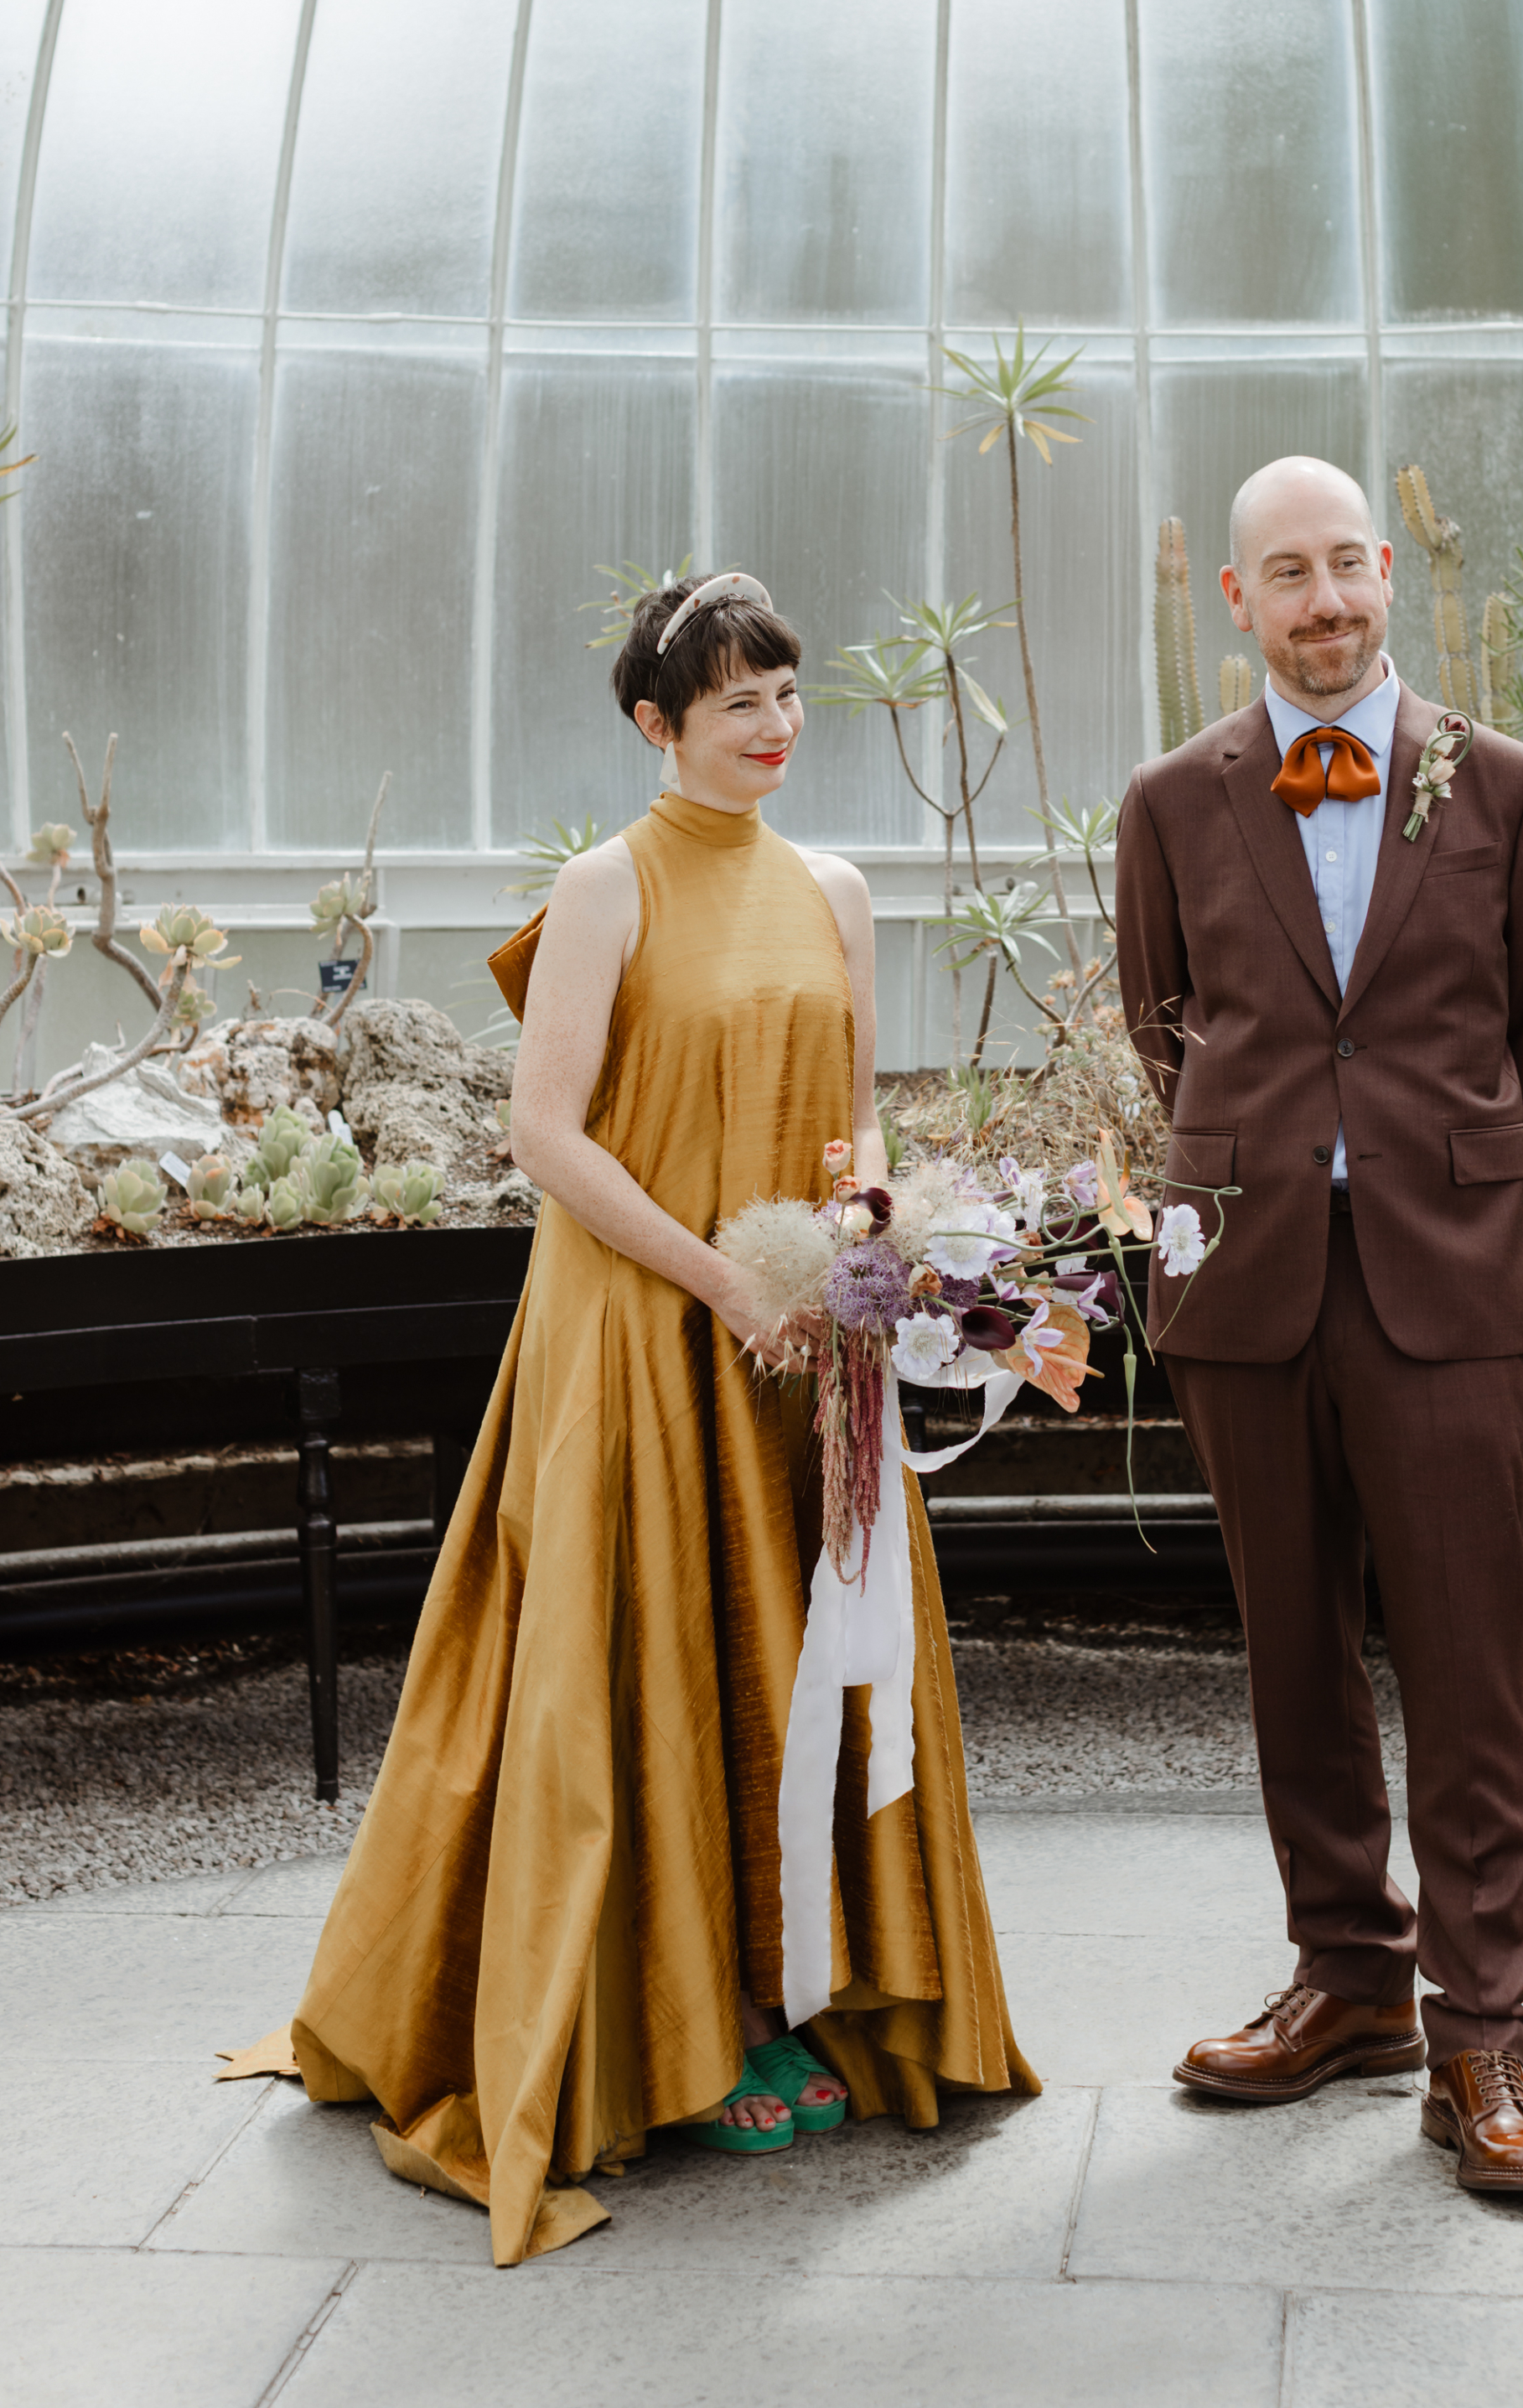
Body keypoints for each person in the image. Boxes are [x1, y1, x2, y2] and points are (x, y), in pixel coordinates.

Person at [270, 573, 1036, 2263]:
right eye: (734, 700)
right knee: (652, 1664)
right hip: (642, 1324)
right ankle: (671, 2037)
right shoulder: (605, 888)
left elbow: (853, 1117)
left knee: (808, 1656)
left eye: (786, 694)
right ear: (655, 723)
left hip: (803, 1335)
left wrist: (890, 1235)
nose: (771, 726)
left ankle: (810, 1991)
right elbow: (549, 1133)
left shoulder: (836, 888)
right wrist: (720, 1279)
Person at [1115, 458, 1523, 2199]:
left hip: (1447, 1273)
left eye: (1346, 568)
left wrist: (1416, 1165)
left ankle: (1484, 2041)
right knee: (1290, 1643)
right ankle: (1348, 1973)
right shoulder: (1172, 798)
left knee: (1470, 1656)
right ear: (1235, 600)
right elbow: (1169, 1025)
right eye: (1284, 576)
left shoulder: (1510, 787)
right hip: (1245, 1275)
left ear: (1388, 573)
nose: (1324, 602)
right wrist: (1273, 1169)